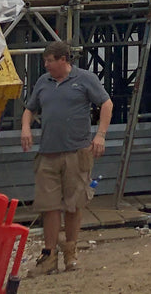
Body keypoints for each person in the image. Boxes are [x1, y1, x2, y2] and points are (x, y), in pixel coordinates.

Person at [21, 41, 112, 275]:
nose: (46, 65)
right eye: (45, 61)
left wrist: (100, 135)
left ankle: (71, 253)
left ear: (63, 60)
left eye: (49, 61)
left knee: (74, 204)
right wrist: (25, 128)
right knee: (49, 206)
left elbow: (106, 103)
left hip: (76, 152)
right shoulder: (43, 82)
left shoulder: (85, 79)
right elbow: (30, 108)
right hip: (48, 153)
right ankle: (49, 256)